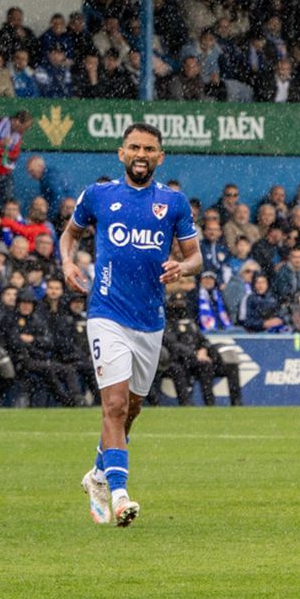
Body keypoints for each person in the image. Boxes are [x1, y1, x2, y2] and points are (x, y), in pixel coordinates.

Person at [61, 122, 200, 527]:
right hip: (107, 314)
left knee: (132, 410)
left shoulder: (173, 202)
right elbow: (69, 235)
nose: (141, 154)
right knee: (115, 406)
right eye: (134, 147)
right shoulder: (99, 195)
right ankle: (120, 496)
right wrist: (67, 262)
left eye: (149, 149)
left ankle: (97, 475)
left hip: (150, 321)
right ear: (121, 153)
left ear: (161, 157)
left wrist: (182, 267)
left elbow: (195, 257)